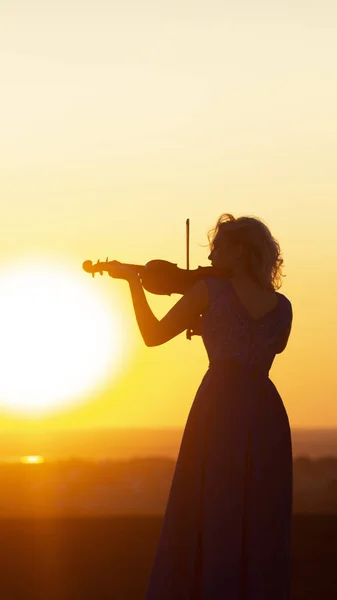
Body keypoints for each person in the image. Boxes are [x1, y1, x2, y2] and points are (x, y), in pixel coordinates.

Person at [110, 213, 293, 599]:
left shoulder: (209, 289)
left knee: (210, 506)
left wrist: (132, 283)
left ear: (241, 251)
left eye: (218, 247)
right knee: (259, 514)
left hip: (220, 408)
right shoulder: (283, 308)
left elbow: (154, 335)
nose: (210, 257)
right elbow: (261, 344)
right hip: (266, 414)